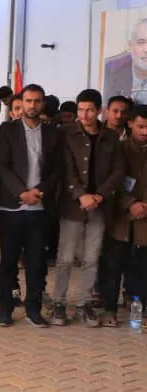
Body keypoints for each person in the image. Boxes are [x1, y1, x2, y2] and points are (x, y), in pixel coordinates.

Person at [0, 84, 64, 327]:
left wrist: (40, 192)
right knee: (8, 261)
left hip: (40, 208)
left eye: (37, 101)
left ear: (43, 103)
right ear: (21, 103)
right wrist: (22, 193)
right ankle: (5, 308)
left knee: (37, 262)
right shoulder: (7, 130)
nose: (32, 105)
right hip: (12, 207)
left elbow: (57, 169)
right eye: (28, 100)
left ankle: (33, 309)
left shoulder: (54, 132)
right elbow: (2, 166)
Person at [51, 89, 122, 326]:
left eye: (90, 109)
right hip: (73, 205)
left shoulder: (110, 137)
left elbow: (118, 172)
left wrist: (99, 196)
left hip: (100, 207)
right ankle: (59, 303)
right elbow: (65, 168)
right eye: (81, 110)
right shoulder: (67, 134)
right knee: (65, 258)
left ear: (99, 111)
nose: (84, 114)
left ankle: (84, 305)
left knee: (91, 258)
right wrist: (81, 195)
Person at [103, 105, 147, 326]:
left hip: (145, 221)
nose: (145, 132)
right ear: (130, 124)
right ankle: (108, 309)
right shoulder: (118, 149)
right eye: (140, 126)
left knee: (141, 269)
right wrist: (130, 204)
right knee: (113, 266)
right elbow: (111, 182)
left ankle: (140, 310)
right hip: (120, 219)